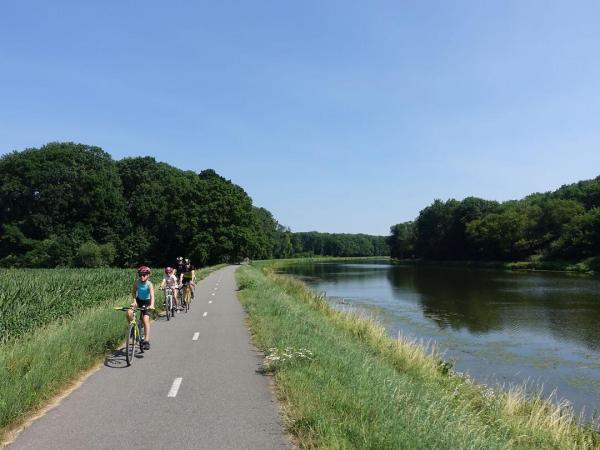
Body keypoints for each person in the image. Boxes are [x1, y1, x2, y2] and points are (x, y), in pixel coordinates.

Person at [129, 265, 155, 350]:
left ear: (148, 275)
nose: (142, 277)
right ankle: (132, 328)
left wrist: (152, 305)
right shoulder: (136, 283)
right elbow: (133, 293)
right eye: (140, 275)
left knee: (145, 319)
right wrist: (134, 301)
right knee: (129, 312)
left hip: (147, 302)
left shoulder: (149, 284)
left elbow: (152, 295)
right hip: (138, 301)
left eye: (144, 275)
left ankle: (146, 341)